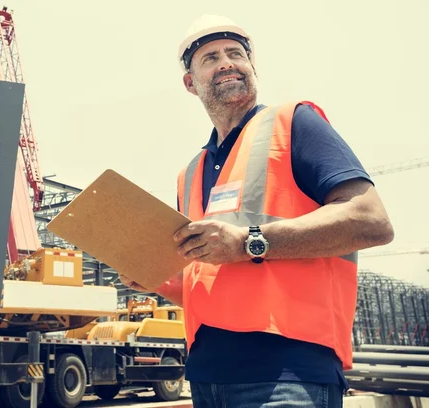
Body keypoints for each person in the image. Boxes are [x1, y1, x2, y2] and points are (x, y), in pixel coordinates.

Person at [119, 14, 394, 408]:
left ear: (253, 69)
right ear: (190, 83)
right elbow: (213, 283)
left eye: (236, 53)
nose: (227, 62)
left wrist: (249, 241)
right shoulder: (190, 174)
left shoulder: (294, 123)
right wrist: (155, 281)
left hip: (289, 373)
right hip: (207, 377)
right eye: (211, 58)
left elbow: (372, 220)